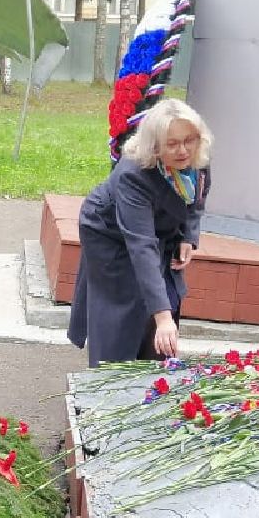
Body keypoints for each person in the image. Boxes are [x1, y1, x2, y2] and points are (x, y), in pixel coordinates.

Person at [67, 99, 213, 365]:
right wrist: (163, 317)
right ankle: (111, 380)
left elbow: (196, 200)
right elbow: (141, 246)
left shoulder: (195, 158)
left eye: (188, 140)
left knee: (166, 292)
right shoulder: (133, 175)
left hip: (158, 227)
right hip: (109, 233)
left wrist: (188, 237)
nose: (183, 150)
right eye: (172, 144)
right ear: (154, 145)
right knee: (125, 304)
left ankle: (151, 372)